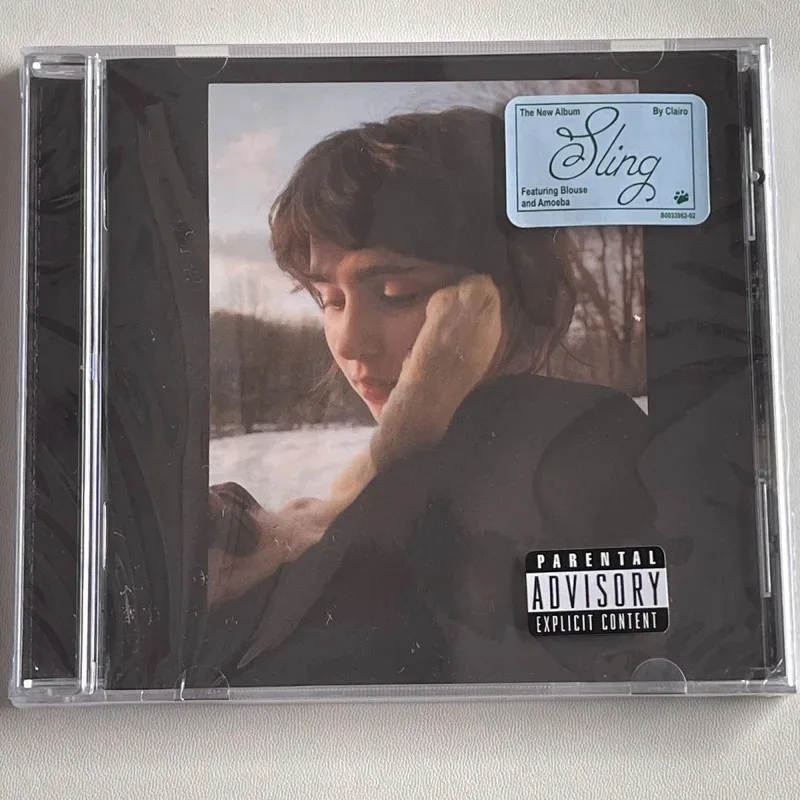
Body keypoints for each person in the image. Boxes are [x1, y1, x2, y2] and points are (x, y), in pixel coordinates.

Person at [200, 107, 661, 686]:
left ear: (506, 291)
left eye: (396, 292)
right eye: (329, 301)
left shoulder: (574, 447)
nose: (349, 342)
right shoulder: (399, 471)